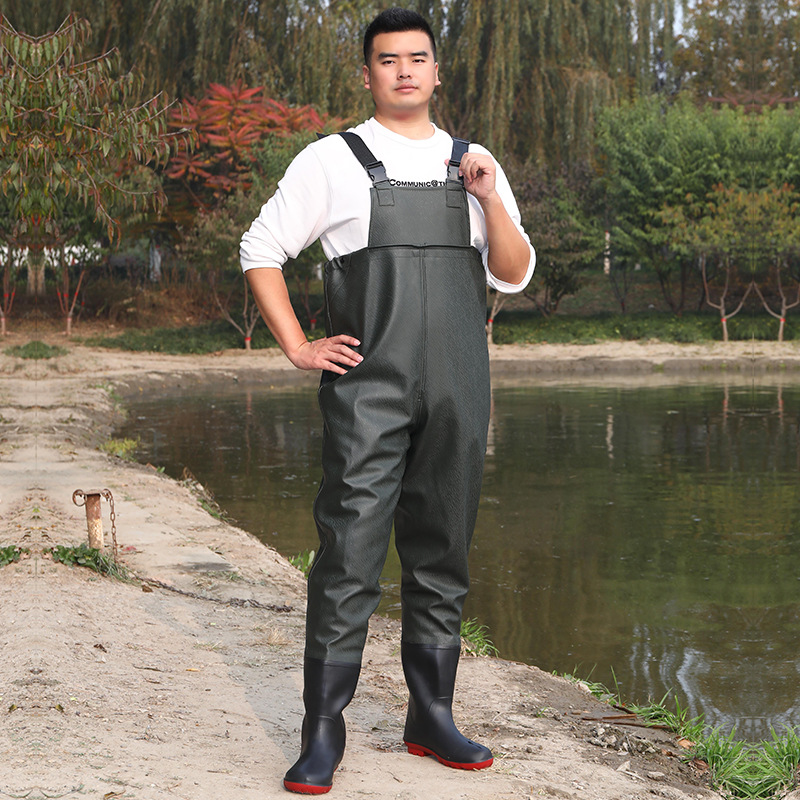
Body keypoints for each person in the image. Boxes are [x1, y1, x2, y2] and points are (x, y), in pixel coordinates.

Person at [240, 7, 535, 794]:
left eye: (417, 58)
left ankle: (431, 715)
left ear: (437, 70)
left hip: (460, 387)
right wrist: (298, 346)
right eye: (387, 59)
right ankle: (323, 731)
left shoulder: (475, 163)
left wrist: (489, 200)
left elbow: (512, 273)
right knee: (349, 553)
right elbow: (261, 249)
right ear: (367, 73)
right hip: (367, 390)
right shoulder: (332, 160)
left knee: (443, 550)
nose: (404, 70)